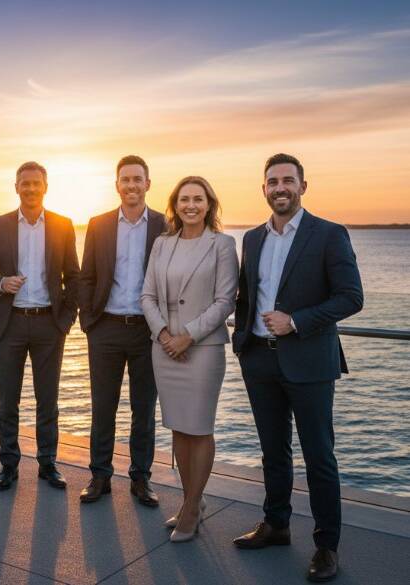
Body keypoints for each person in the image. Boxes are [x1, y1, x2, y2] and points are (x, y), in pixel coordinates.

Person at [231, 153, 363, 582]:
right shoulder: (252, 238)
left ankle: (326, 545)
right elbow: (247, 297)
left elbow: (350, 297)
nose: (280, 188)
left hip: (309, 361)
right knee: (273, 451)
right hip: (260, 361)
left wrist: (297, 321)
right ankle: (277, 524)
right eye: (272, 182)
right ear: (264, 189)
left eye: (288, 180)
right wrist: (242, 343)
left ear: (303, 186)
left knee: (319, 455)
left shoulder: (328, 234)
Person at [140, 176, 238, 542]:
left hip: (203, 350)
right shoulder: (162, 244)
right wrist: (164, 334)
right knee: (179, 429)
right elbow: (147, 295)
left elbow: (225, 300)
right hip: (164, 348)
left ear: (209, 204)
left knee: (199, 428)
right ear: (175, 205)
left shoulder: (222, 245)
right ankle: (189, 501)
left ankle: (194, 507)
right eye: (184, 199)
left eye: (198, 199)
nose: (191, 205)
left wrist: (188, 336)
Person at [0, 161, 79, 491]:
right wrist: (0, 282)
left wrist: (65, 320)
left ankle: (48, 463)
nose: (31, 188)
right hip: (10, 325)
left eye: (36, 183)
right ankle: (8, 465)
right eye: (25, 183)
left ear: (45, 187)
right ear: (16, 186)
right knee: (8, 400)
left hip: (50, 325)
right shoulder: (0, 224)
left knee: (48, 400)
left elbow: (74, 277)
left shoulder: (63, 225)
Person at [77, 155, 166, 507]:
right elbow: (86, 276)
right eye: (125, 179)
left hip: (148, 331)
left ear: (147, 183)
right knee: (103, 406)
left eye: (137, 179)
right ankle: (100, 475)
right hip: (106, 329)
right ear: (117, 185)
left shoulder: (165, 225)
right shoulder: (98, 225)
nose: (131, 185)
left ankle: (141, 479)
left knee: (144, 409)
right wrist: (89, 323)